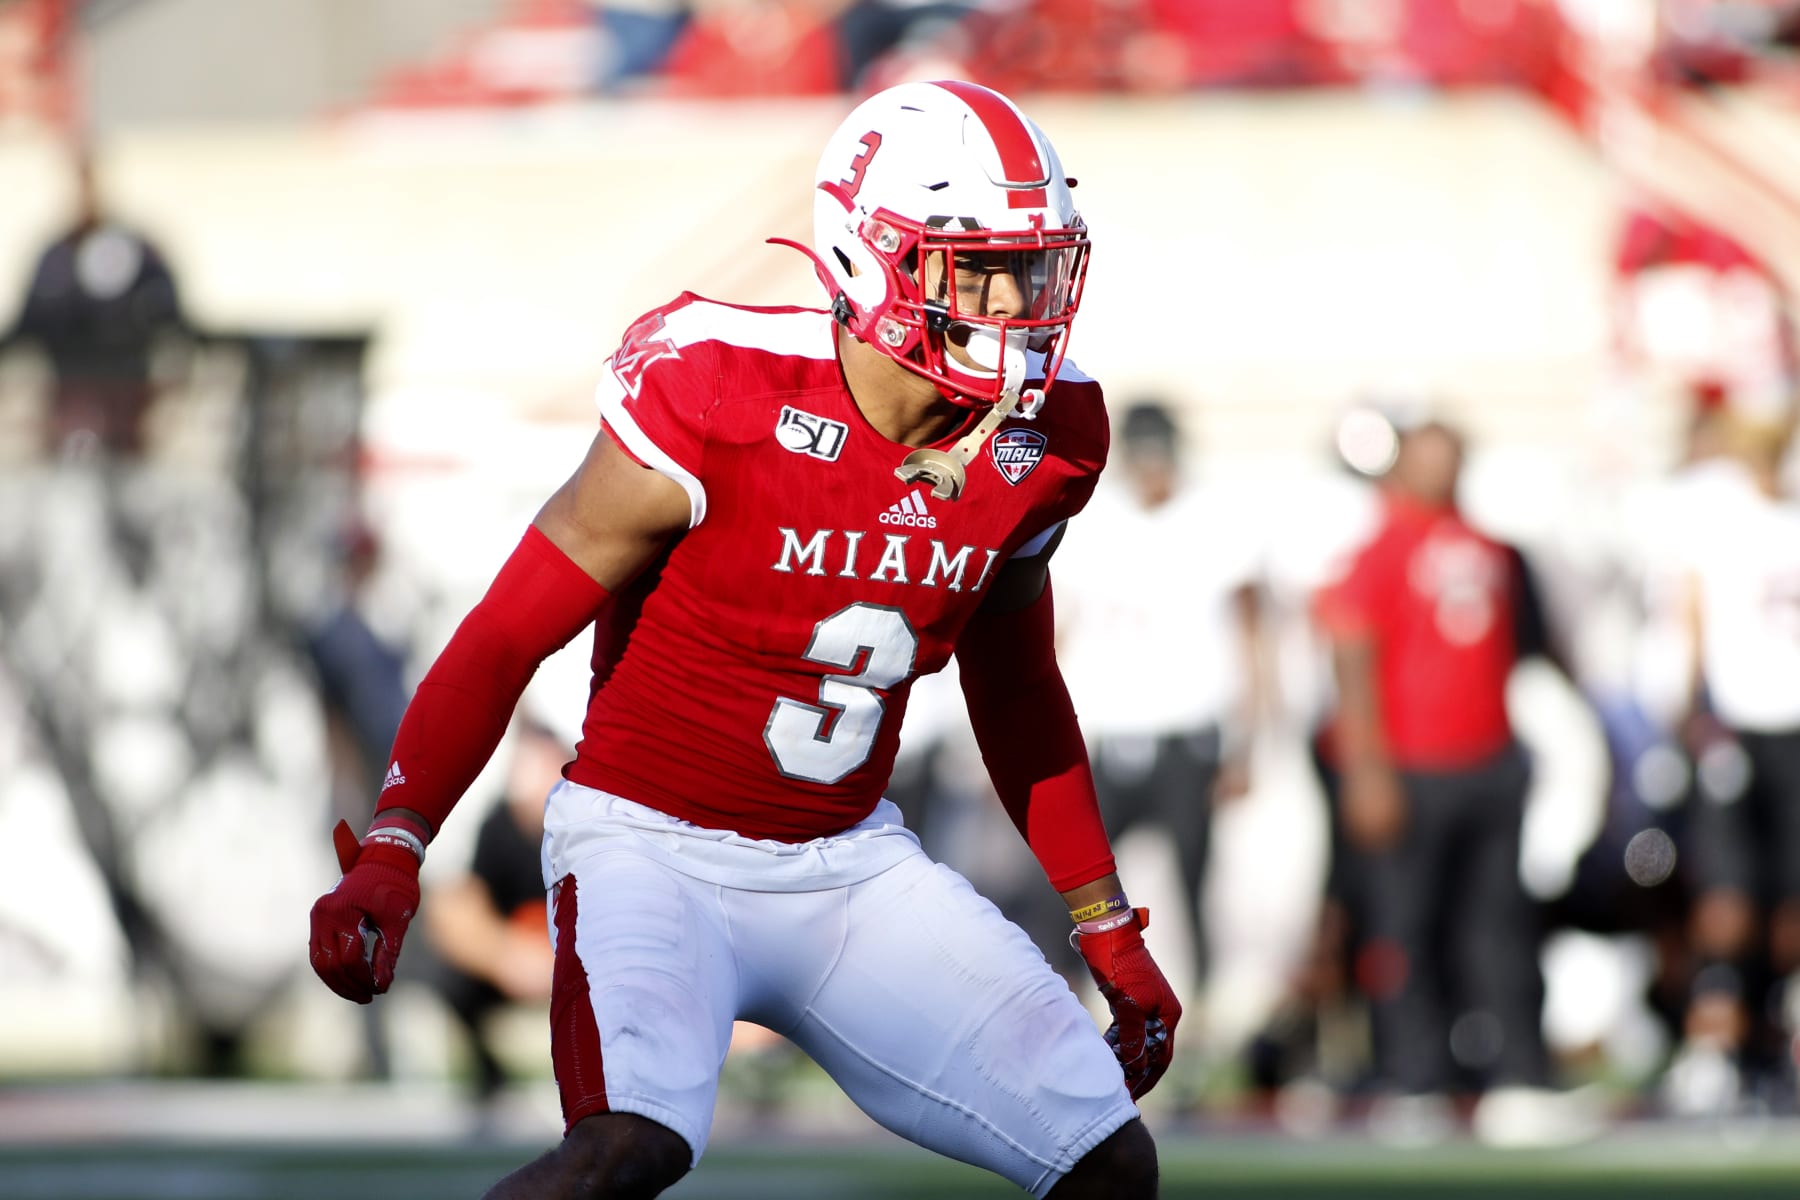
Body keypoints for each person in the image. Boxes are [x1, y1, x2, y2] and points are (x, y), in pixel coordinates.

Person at [309, 79, 1177, 1199]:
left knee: (1110, 1165)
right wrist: (396, 844)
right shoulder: (719, 392)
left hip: (848, 861)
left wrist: (1104, 924)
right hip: (649, 846)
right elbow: (502, 635)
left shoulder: (1051, 435)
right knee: (628, 1148)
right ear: (870, 260)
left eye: (1035, 267)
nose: (1020, 306)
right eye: (981, 271)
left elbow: (1017, 688)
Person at [1313, 419, 1580, 1143]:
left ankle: (1518, 1076)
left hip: (1488, 758)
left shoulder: (1494, 549)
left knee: (1499, 926)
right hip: (1411, 764)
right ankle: (1413, 1078)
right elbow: (1352, 654)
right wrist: (1368, 767)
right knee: (1406, 926)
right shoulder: (1378, 550)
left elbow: (1536, 646)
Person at [1053, 400, 1265, 1068]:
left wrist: (1248, 740)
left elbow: (1253, 636)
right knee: (1076, 884)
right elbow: (1057, 628)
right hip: (1108, 733)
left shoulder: (1214, 521)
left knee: (1195, 885)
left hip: (1187, 734)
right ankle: (1083, 1010)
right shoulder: (1093, 521)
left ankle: (1198, 1019)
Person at [3, 148, 185, 457]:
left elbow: (171, 315)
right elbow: (29, 320)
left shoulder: (138, 253)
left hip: (126, 394)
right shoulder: (56, 255)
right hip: (70, 392)